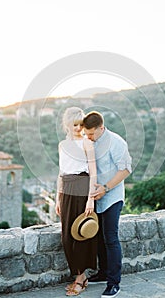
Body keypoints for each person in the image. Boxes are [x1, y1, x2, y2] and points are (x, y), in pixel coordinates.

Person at [83, 111, 132, 298]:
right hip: (97, 197)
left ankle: (114, 284)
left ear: (101, 128)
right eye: (86, 135)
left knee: (111, 238)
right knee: (98, 238)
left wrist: (105, 188)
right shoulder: (91, 141)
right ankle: (103, 273)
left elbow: (126, 169)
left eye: (91, 134)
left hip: (112, 196)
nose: (89, 138)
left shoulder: (117, 142)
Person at [55, 107, 98, 296]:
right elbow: (61, 172)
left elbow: (93, 172)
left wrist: (90, 200)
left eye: (81, 125)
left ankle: (80, 278)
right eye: (75, 125)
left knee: (80, 235)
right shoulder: (62, 145)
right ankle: (80, 275)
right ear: (67, 124)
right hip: (66, 190)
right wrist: (57, 198)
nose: (78, 128)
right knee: (67, 236)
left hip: (82, 189)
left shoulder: (87, 143)